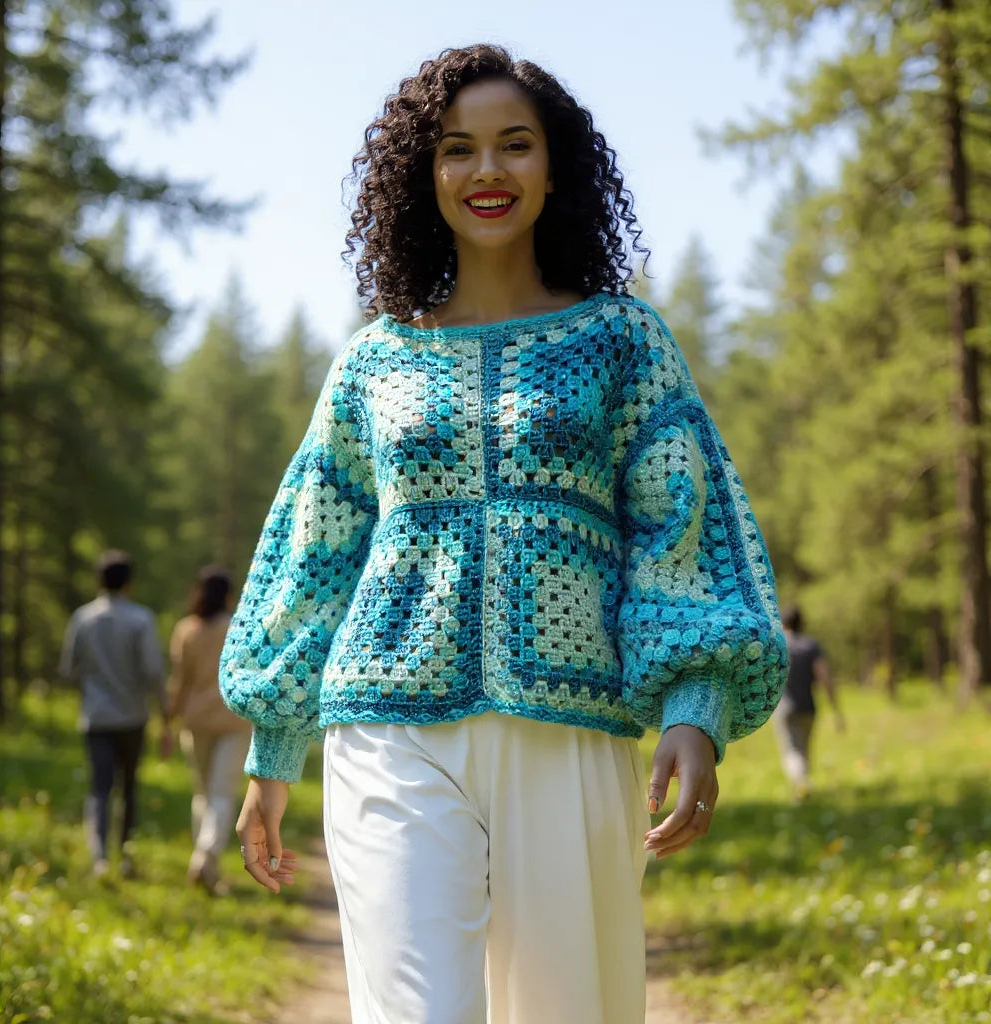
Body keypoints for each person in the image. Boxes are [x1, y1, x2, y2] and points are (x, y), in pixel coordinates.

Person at [220, 44, 788, 1023]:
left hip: (569, 728)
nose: (487, 170)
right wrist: (275, 744)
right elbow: (317, 548)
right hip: (386, 726)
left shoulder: (621, 340)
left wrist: (695, 704)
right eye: (457, 149)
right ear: (424, 174)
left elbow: (681, 526)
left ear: (554, 166)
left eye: (514, 145)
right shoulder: (373, 361)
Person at [59, 550, 166, 878]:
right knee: (128, 788)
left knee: (99, 787)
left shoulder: (82, 618)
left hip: (95, 716)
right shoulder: (141, 619)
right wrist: (164, 711)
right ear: (129, 582)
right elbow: (152, 670)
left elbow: (68, 669)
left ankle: (100, 856)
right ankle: (126, 854)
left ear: (99, 581)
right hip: (132, 716)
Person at [166, 566, 251, 895]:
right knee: (221, 794)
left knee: (203, 795)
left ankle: (206, 863)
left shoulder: (186, 629)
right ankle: (206, 858)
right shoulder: (238, 627)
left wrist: (167, 721)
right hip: (234, 722)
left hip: (196, 722)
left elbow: (179, 682)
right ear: (228, 595)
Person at [774, 604, 844, 801]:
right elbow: (825, 678)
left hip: (784, 709)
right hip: (808, 707)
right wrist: (836, 710)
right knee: (804, 751)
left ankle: (802, 786)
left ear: (783, 622)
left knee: (791, 751)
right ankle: (802, 790)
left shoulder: (779, 646)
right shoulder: (811, 646)